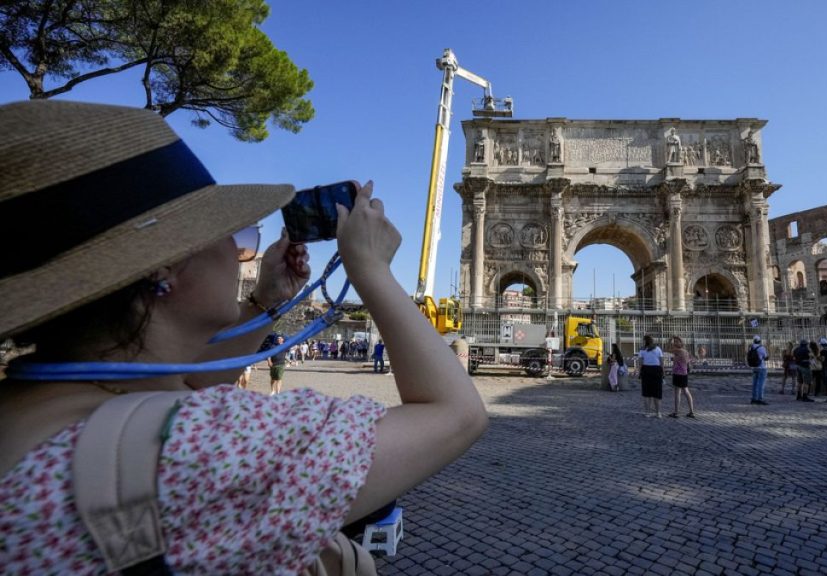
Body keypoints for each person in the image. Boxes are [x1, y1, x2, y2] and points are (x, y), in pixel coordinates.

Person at [0, 101, 488, 574]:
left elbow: (184, 389)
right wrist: (371, 270)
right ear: (164, 267)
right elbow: (455, 415)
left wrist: (262, 302)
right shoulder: (205, 445)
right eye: (232, 236)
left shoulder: (42, 402)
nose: (242, 249)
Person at [668, 336, 695, 418]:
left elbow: (668, 349)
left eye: (676, 341)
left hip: (678, 374)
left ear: (681, 343)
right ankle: (691, 411)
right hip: (684, 373)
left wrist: (670, 340)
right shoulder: (685, 351)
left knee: (677, 393)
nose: (675, 343)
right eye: (674, 341)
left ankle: (676, 412)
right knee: (686, 392)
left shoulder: (679, 350)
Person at [638, 335, 664, 418]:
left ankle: (647, 412)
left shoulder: (642, 350)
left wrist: (639, 373)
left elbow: (640, 363)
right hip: (657, 370)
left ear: (645, 341)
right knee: (657, 393)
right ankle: (658, 413)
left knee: (647, 393)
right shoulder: (658, 349)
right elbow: (661, 362)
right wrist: (663, 373)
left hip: (646, 370)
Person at [748, 335, 769, 405]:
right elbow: (766, 357)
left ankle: (754, 398)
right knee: (761, 384)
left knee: (754, 383)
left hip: (754, 367)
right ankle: (760, 398)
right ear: (760, 341)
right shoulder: (761, 348)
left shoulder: (750, 347)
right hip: (761, 367)